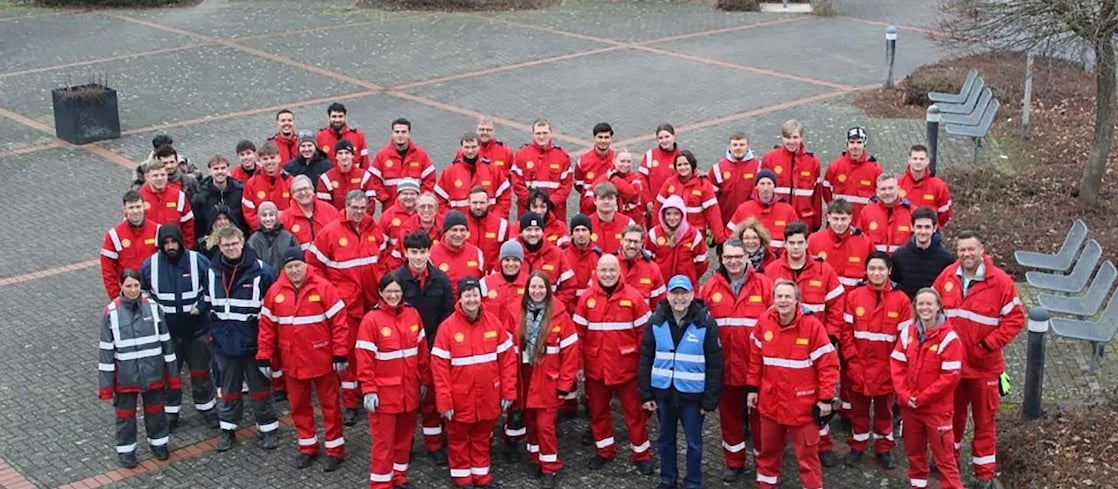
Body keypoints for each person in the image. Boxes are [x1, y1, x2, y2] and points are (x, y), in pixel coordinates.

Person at [933, 230, 1025, 489]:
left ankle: (984, 475)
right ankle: (947, 464)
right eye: (962, 250)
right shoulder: (947, 276)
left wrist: (988, 345)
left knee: (984, 423)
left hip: (985, 369)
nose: (966, 254)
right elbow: (931, 309)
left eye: (971, 249)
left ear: (982, 250)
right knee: (952, 420)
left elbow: (1016, 319)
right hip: (953, 367)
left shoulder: (1001, 282)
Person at [257, 248, 349, 471]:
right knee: (299, 406)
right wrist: (264, 356)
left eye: (298, 265)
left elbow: (339, 322)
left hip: (322, 358)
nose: (294, 270)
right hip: (293, 361)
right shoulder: (275, 292)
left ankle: (334, 450)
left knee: (330, 406)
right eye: (289, 267)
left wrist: (340, 352)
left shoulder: (323, 287)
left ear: (306, 265)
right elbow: (267, 328)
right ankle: (307, 447)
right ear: (283, 269)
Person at [746, 280, 839, 489]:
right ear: (773, 299)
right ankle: (767, 484)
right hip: (771, 403)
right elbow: (755, 359)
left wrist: (825, 399)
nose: (783, 301)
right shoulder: (764, 322)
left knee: (807, 456)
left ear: (797, 300)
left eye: (788, 296)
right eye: (779, 296)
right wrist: (752, 388)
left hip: (802, 406)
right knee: (768, 452)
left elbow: (828, 366)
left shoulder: (812, 326)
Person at [307, 190, 389, 424]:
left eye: (363, 208)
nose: (359, 213)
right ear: (346, 207)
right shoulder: (330, 233)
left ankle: (370, 392)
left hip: (373, 303)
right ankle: (351, 403)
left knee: (374, 351)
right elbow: (313, 267)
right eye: (355, 208)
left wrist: (382, 288)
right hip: (346, 306)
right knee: (349, 355)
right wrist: (331, 295)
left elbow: (383, 262)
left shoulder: (374, 230)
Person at [431, 278, 517, 489]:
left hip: (488, 395)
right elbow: (439, 368)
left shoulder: (494, 323)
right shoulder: (447, 328)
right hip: (459, 398)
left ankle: (481, 475)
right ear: (459, 298)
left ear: (481, 297)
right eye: (467, 294)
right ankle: (462, 478)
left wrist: (508, 392)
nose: (471, 299)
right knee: (458, 439)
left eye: (475, 294)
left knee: (481, 437)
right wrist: (444, 401)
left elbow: (508, 360)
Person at [571, 254, 654, 474]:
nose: (607, 275)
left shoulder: (634, 298)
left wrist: (643, 368)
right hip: (595, 368)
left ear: (620, 272)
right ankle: (604, 451)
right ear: (596, 272)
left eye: (612, 270)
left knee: (634, 413)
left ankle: (641, 454)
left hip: (628, 369)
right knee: (598, 413)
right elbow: (577, 336)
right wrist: (579, 365)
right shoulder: (587, 299)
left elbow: (645, 337)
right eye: (603, 270)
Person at [699, 239, 773, 482]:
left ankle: (765, 467)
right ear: (721, 259)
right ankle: (734, 462)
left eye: (738, 257)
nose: (733, 261)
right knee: (730, 420)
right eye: (728, 257)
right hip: (725, 369)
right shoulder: (709, 288)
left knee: (761, 423)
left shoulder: (764, 285)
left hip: (757, 369)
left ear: (746, 258)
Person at [640, 275, 723, 489]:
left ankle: (693, 482)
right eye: (674, 293)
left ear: (692, 294)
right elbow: (645, 358)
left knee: (694, 443)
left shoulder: (705, 323)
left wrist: (709, 400)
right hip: (664, 393)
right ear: (667, 295)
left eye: (683, 293)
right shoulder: (655, 321)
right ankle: (668, 479)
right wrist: (646, 394)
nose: (679, 298)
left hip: (693, 396)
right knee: (665, 440)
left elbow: (715, 364)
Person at [203, 227, 279, 452]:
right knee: (228, 391)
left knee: (260, 391)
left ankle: (268, 429)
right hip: (224, 345)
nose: (231, 248)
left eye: (234, 244)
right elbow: (208, 304)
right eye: (226, 245)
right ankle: (227, 430)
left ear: (242, 242)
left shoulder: (261, 272)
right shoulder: (211, 271)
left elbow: (272, 309)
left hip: (253, 344)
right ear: (220, 246)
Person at [355, 274, 431, 489]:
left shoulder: (413, 315)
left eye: (397, 291)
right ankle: (380, 484)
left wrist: (424, 380)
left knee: (404, 440)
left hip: (409, 391)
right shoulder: (371, 320)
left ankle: (399, 477)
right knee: (383, 443)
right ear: (380, 292)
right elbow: (364, 359)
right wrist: (369, 389)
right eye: (389, 291)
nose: (393, 295)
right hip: (384, 395)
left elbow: (422, 352)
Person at [140, 225, 218, 430]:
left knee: (201, 373)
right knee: (170, 376)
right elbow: (144, 294)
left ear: (181, 242)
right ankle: (171, 413)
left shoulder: (197, 261)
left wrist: (200, 307)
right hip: (168, 334)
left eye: (173, 242)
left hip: (197, 331)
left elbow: (212, 286)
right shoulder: (150, 266)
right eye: (166, 243)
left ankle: (207, 409)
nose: (170, 246)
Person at [839, 251, 911, 468]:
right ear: (866, 271)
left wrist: (896, 367)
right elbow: (845, 332)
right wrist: (852, 360)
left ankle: (884, 448)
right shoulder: (854, 297)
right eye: (872, 269)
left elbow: (905, 339)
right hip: (858, 366)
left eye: (881, 269)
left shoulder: (901, 300)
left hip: (887, 368)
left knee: (885, 412)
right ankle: (857, 446)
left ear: (889, 270)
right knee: (858, 411)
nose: (876, 273)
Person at [98, 269, 176, 468]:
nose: (133, 290)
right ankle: (126, 451)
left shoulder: (153, 308)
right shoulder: (111, 313)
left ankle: (159, 444)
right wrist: (106, 386)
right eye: (128, 286)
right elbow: (106, 352)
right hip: (125, 378)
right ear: (121, 287)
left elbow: (166, 343)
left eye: (136, 285)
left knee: (156, 412)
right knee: (125, 417)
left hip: (153, 374)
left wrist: (172, 375)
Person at [509, 272, 580, 488]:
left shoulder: (560, 315)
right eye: (533, 287)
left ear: (548, 290)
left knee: (545, 426)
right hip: (525, 375)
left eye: (541, 287)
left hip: (548, 379)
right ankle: (536, 457)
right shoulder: (516, 312)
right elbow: (506, 346)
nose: (537, 291)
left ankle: (550, 467)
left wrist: (565, 385)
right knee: (530, 422)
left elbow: (570, 353)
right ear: (527, 289)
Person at [391, 231, 455, 466]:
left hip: (433, 348)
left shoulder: (441, 279)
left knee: (431, 402)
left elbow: (448, 317)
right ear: (406, 253)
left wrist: (435, 346)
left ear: (430, 252)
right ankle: (403, 447)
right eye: (413, 252)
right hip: (403, 352)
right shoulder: (396, 280)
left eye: (422, 252)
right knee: (404, 402)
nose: (418, 257)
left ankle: (434, 444)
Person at [891, 287, 964, 489]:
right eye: (920, 304)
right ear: (915, 307)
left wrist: (921, 398)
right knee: (914, 454)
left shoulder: (950, 339)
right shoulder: (908, 332)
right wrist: (905, 395)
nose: (925, 308)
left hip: (936, 411)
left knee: (945, 460)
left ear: (939, 306)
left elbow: (949, 378)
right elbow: (897, 365)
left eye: (929, 304)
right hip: (910, 408)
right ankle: (918, 486)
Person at [653, 150, 725, 246]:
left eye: (686, 164)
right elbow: (658, 208)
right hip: (672, 234)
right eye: (679, 165)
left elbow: (713, 212)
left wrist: (719, 237)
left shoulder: (703, 184)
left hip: (695, 234)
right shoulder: (669, 183)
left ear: (692, 165)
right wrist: (656, 232)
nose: (683, 167)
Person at [762, 119, 823, 229]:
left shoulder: (813, 162)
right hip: (776, 219)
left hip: (803, 220)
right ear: (782, 138)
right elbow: (759, 191)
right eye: (787, 137)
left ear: (801, 138)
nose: (791, 141)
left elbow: (817, 196)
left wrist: (816, 223)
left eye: (795, 137)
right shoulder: (770, 159)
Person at [101, 190, 161, 299]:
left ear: (144, 206)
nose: (135, 211)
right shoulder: (113, 236)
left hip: (154, 293)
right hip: (128, 295)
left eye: (138, 207)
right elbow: (108, 271)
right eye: (131, 208)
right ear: (124, 210)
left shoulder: (157, 230)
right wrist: (116, 298)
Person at [435, 132, 511, 217]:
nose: (470, 151)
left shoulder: (493, 170)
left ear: (479, 147)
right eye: (466, 147)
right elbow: (438, 199)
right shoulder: (450, 171)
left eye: (473, 147)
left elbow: (505, 197)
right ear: (461, 148)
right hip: (460, 227)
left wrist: (495, 218)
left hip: (487, 224)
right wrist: (451, 218)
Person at [511, 119, 573, 220]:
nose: (542, 136)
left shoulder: (562, 157)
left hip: (555, 212)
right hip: (527, 211)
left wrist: (550, 203)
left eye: (545, 133)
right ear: (533, 134)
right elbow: (517, 183)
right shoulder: (521, 155)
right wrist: (532, 202)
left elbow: (566, 186)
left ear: (551, 133)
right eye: (538, 133)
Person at [367, 118, 436, 207]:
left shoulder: (421, 155)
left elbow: (430, 180)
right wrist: (383, 197)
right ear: (392, 134)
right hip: (390, 208)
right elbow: (372, 180)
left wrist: (420, 198)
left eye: (403, 132)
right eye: (397, 132)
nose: (400, 135)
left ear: (409, 134)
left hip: (415, 209)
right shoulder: (382, 156)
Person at [808, 198, 874, 288]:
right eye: (836, 219)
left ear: (850, 218)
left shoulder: (865, 242)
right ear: (828, 217)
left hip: (853, 299)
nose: (839, 223)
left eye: (843, 219)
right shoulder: (814, 240)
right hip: (825, 298)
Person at [725, 169, 798, 249]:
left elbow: (796, 238)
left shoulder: (787, 210)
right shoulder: (743, 209)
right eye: (762, 184)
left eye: (769, 183)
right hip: (749, 259)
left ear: (774, 186)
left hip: (779, 259)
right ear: (756, 186)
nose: (765, 188)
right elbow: (730, 236)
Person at [892, 208, 954, 299]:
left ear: (934, 228)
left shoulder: (945, 259)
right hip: (906, 309)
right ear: (912, 227)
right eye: (919, 227)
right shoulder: (899, 256)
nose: (923, 232)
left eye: (927, 227)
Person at [646, 194, 708, 286]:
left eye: (676, 214)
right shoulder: (654, 234)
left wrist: (691, 277)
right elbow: (648, 261)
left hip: (686, 287)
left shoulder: (693, 235)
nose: (672, 218)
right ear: (663, 215)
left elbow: (701, 263)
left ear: (682, 214)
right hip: (661, 285)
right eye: (668, 214)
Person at [517, 212, 576, 306]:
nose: (533, 234)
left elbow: (570, 287)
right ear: (521, 232)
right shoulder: (512, 254)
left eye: (537, 229)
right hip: (518, 313)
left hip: (549, 314)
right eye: (528, 230)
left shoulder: (557, 255)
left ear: (543, 231)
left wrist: (552, 306)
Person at [823, 126, 882, 217]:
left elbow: (880, 198)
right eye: (852, 142)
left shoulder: (875, 169)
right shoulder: (835, 167)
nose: (855, 146)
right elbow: (826, 193)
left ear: (864, 144)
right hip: (840, 222)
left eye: (859, 142)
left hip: (864, 222)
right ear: (847, 144)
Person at [709, 132, 763, 227]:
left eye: (742, 145)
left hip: (752, 223)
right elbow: (711, 200)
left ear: (748, 146)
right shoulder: (718, 168)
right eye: (735, 145)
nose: (738, 148)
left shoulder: (758, 167)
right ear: (729, 147)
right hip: (726, 223)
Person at [139, 160, 196, 246]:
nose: (160, 178)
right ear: (147, 177)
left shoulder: (178, 195)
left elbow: (188, 225)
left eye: (162, 175)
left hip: (173, 251)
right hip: (149, 250)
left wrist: (186, 248)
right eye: (155, 175)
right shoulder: (139, 198)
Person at [582, 149, 646, 224]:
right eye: (622, 161)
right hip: (610, 220)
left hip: (633, 219)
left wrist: (614, 179)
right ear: (614, 161)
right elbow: (588, 201)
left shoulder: (636, 177)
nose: (626, 165)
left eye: (628, 162)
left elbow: (631, 193)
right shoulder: (604, 178)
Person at [429, 210, 485, 296]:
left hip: (469, 305)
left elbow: (483, 282)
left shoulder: (476, 252)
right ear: (445, 231)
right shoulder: (432, 253)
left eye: (462, 230)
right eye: (454, 230)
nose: (458, 234)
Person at [856, 174, 914, 254]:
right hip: (876, 264)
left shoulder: (911, 212)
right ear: (877, 192)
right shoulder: (867, 212)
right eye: (883, 189)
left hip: (903, 264)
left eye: (891, 188)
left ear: (898, 189)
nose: (887, 192)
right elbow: (859, 241)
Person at [898, 144, 953, 228]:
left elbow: (945, 212)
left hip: (928, 234)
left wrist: (933, 227)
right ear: (909, 160)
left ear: (927, 161)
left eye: (921, 159)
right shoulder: (898, 183)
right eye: (915, 158)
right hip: (903, 233)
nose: (918, 162)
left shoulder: (938, 186)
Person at [280, 175, 340, 250]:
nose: (303, 192)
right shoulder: (285, 218)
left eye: (305, 188)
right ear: (292, 195)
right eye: (298, 190)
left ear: (312, 190)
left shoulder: (330, 211)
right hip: (300, 261)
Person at [193, 155, 247, 237]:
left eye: (223, 168)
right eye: (216, 169)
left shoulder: (240, 191)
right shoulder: (200, 196)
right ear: (209, 171)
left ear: (228, 169)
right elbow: (198, 225)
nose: (220, 172)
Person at [241, 142, 291, 230]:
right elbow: (249, 214)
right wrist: (265, 227)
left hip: (285, 230)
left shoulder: (289, 181)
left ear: (279, 158)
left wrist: (280, 225)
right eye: (265, 159)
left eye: (272, 158)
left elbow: (295, 210)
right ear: (259, 160)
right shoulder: (251, 184)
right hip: (261, 232)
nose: (269, 162)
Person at [618, 225, 667, 310]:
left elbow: (660, 305)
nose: (632, 246)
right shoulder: (609, 264)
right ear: (621, 241)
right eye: (629, 241)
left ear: (641, 243)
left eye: (636, 242)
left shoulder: (652, 269)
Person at [639, 123, 682, 215]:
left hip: (675, 207)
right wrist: (648, 201)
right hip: (654, 206)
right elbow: (642, 179)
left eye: (667, 137)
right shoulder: (650, 155)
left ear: (674, 136)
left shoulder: (681, 156)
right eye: (660, 138)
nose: (664, 140)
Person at [561, 214, 602, 310]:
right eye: (577, 230)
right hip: (567, 308)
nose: (581, 234)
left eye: (584, 230)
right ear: (571, 234)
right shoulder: (562, 256)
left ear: (590, 233)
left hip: (592, 308)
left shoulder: (599, 257)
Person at [463, 186, 509, 270]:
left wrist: (496, 270)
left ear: (488, 202)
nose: (478, 207)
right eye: (475, 202)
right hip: (467, 275)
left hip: (492, 276)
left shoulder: (501, 225)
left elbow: (505, 253)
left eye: (482, 203)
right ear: (468, 202)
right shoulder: (460, 225)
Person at [247, 201, 300, 273]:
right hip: (263, 280)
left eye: (271, 215)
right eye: (264, 215)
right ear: (259, 217)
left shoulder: (288, 237)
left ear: (276, 216)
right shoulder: (254, 240)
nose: (268, 219)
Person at [316, 139, 366, 211]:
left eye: (347, 153)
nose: (344, 157)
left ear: (352, 155)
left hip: (359, 220)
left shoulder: (364, 176)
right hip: (334, 220)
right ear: (336, 156)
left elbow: (370, 204)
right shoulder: (326, 178)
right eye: (340, 153)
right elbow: (323, 206)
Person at [589, 182, 637, 253]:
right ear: (595, 201)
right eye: (602, 198)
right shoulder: (586, 224)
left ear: (616, 201)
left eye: (610, 198)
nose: (606, 202)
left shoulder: (628, 224)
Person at [316, 102, 369, 167]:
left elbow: (365, 161)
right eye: (334, 116)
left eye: (340, 116)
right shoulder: (320, 136)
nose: (337, 120)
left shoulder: (358, 136)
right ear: (329, 117)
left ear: (345, 117)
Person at [575, 123, 616, 201]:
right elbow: (579, 186)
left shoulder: (618, 160)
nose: (603, 141)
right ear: (594, 138)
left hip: (611, 206)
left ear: (611, 138)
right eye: (600, 137)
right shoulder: (583, 161)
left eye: (606, 137)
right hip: (588, 208)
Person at [378, 179, 422, 243]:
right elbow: (380, 241)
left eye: (412, 194)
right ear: (398, 195)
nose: (409, 197)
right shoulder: (387, 215)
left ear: (418, 195)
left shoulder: (423, 213)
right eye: (405, 193)